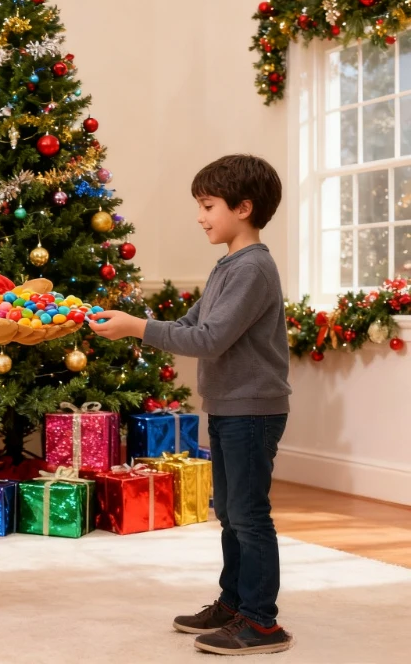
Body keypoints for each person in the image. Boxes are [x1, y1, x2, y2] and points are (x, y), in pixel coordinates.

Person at [88, 154, 293, 656]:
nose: (201, 216)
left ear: (243, 208)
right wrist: (132, 321)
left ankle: (262, 623)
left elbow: (209, 339)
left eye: (208, 206)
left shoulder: (254, 268)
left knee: (248, 514)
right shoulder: (229, 265)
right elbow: (187, 327)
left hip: (252, 408)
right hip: (228, 404)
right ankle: (234, 603)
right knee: (229, 510)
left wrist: (137, 327)